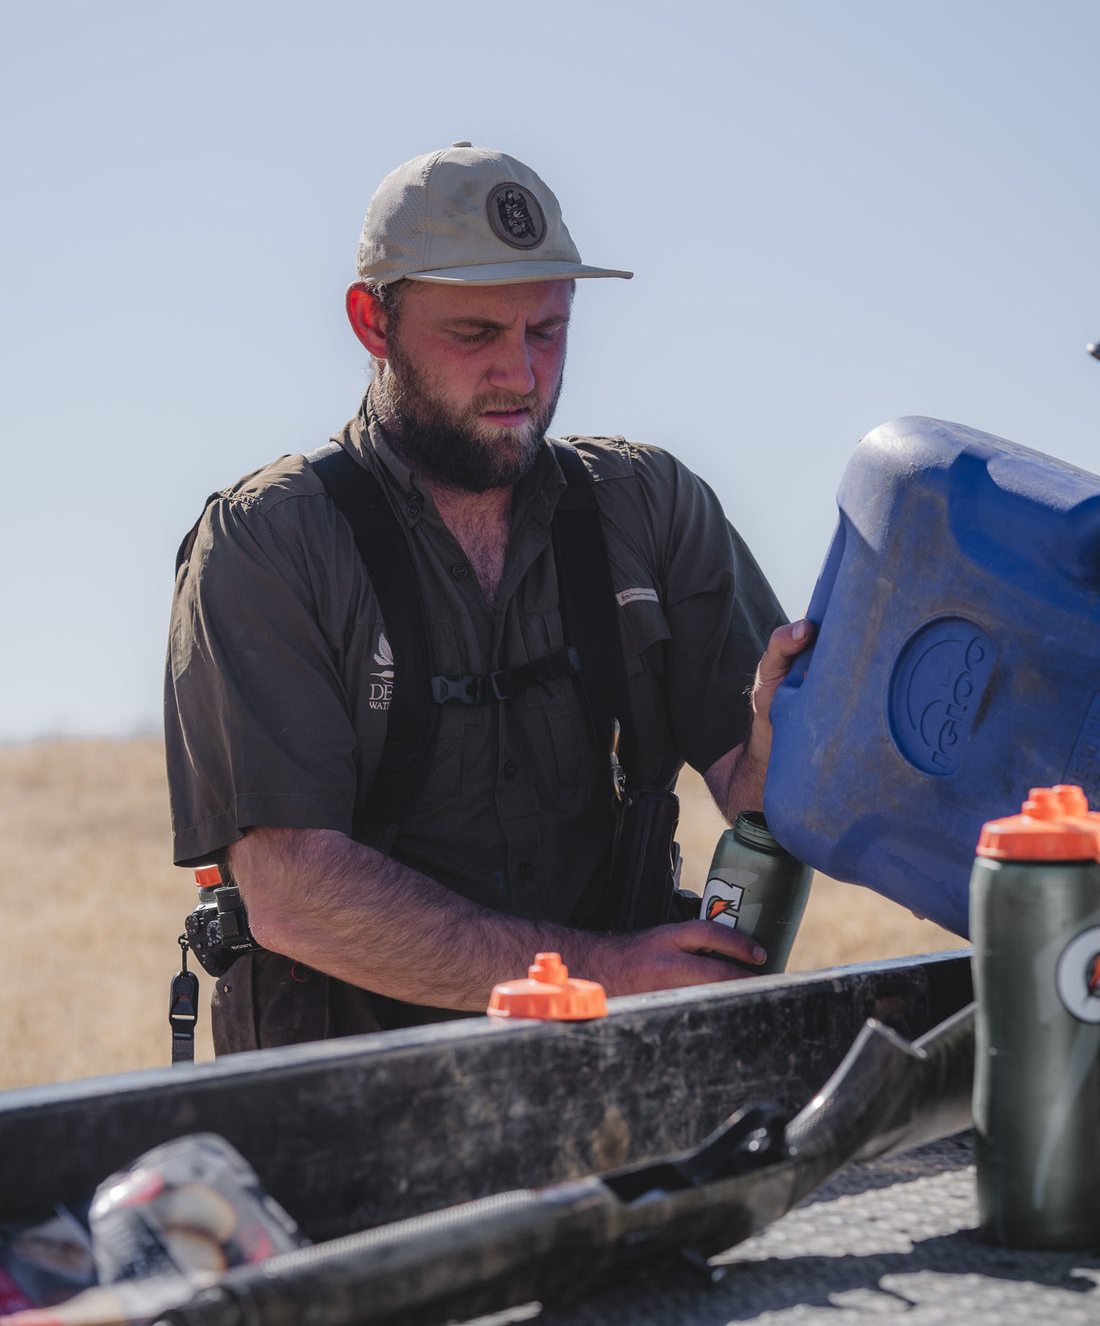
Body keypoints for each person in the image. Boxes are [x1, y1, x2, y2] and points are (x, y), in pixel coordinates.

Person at [165, 142, 812, 1052]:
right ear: (370, 322)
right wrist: (612, 974)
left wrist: (798, 747)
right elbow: (292, 890)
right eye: (474, 334)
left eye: (546, 331)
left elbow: (765, 798)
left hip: (612, 1085)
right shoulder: (269, 543)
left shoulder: (654, 509)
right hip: (334, 1123)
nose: (521, 374)